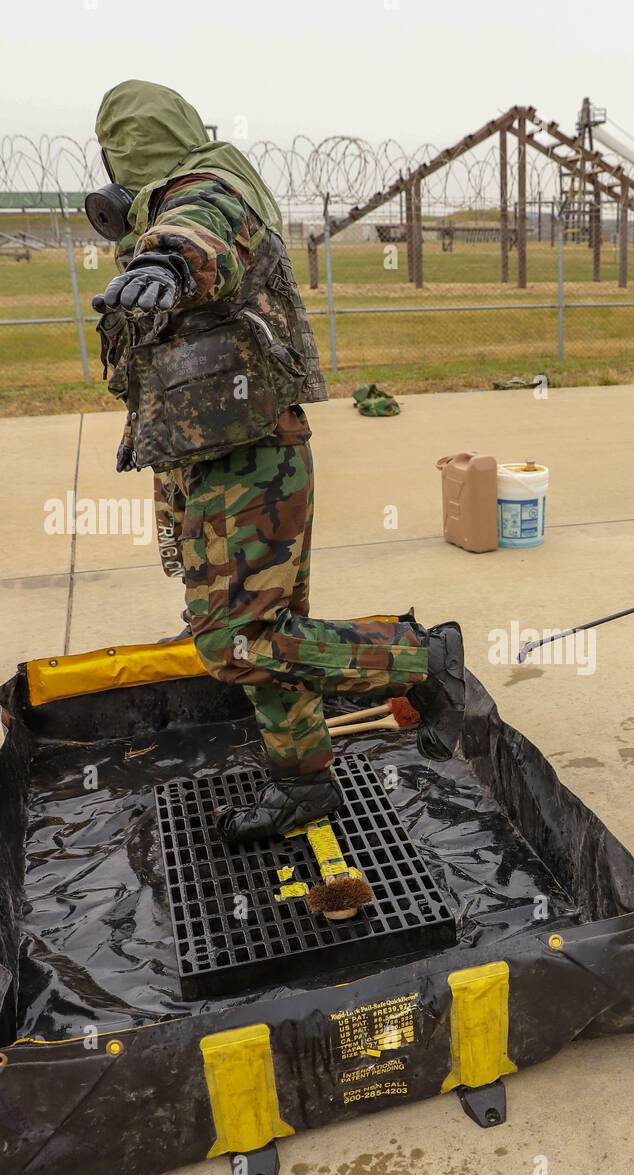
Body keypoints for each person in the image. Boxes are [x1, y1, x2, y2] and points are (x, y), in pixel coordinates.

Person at [89, 80, 460, 843]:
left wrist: (168, 261)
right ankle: (304, 783)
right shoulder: (177, 194)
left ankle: (421, 659)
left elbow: (206, 234)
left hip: (249, 460)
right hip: (222, 457)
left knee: (235, 642)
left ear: (128, 150)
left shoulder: (204, 190)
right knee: (268, 639)